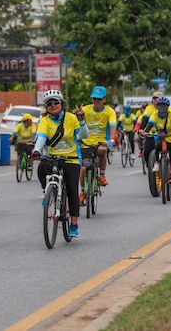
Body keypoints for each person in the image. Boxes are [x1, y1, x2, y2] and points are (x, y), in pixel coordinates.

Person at [31, 90, 88, 238]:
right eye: (49, 103)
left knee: (72, 190)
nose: (53, 105)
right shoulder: (44, 121)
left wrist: (81, 120)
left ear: (62, 104)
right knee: (42, 168)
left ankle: (74, 223)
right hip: (53, 157)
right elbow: (42, 136)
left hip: (72, 158)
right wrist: (37, 150)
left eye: (56, 102)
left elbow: (83, 135)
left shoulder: (71, 118)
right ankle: (47, 192)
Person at [79, 86, 117, 196]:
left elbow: (113, 126)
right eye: (94, 99)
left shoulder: (109, 111)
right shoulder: (85, 110)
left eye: (99, 99)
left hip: (101, 141)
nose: (96, 101)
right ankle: (82, 193)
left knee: (102, 151)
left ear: (104, 99)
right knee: (83, 168)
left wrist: (111, 140)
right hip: (86, 142)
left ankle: (102, 175)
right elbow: (77, 123)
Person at [140, 97, 171, 194]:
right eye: (160, 106)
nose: (162, 108)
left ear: (168, 107)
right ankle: (157, 163)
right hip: (160, 138)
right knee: (157, 145)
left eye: (164, 106)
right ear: (157, 107)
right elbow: (150, 124)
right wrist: (145, 132)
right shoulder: (154, 115)